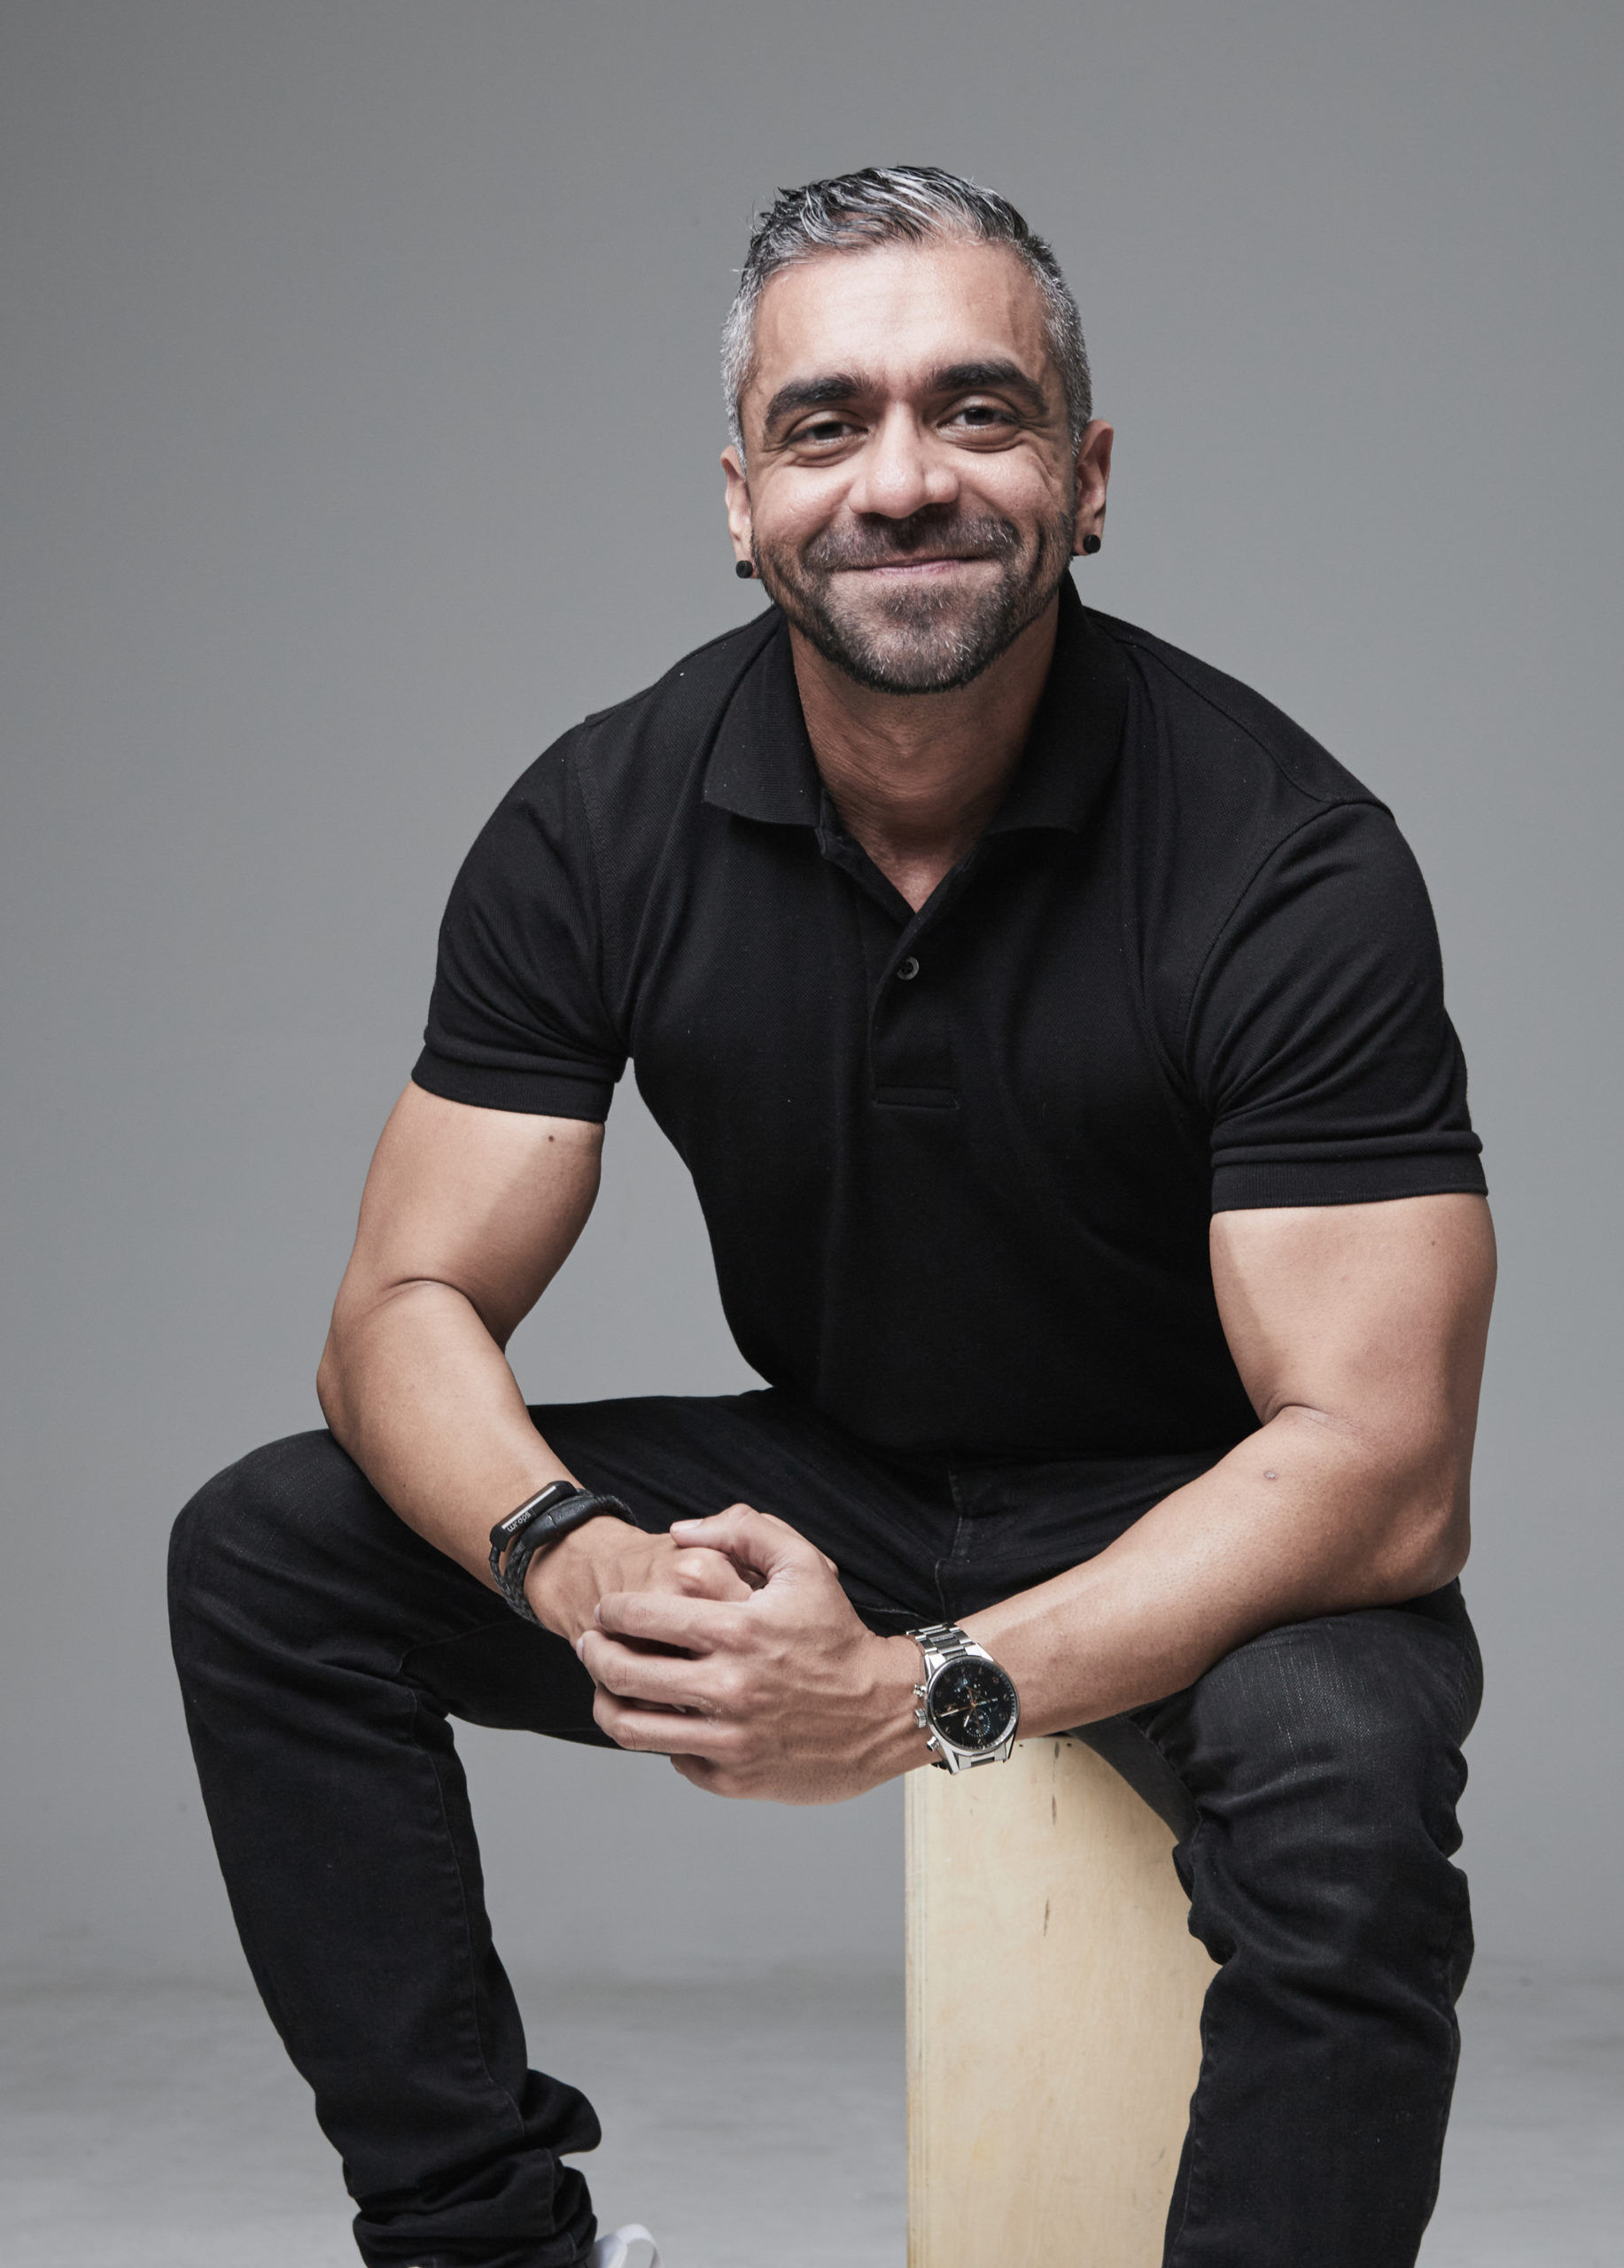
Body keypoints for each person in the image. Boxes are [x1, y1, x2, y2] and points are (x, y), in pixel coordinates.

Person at [169, 165, 1494, 2268]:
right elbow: (401, 1302)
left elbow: (1383, 1468)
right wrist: (577, 1555)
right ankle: (487, 2250)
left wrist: (918, 1689)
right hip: (847, 1475)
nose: (900, 481)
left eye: (976, 410)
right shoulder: (596, 821)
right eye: (824, 424)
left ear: (1083, 476)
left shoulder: (1284, 859)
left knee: (1342, 1771)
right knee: (272, 1549)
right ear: (741, 500)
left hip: (1204, 1509)